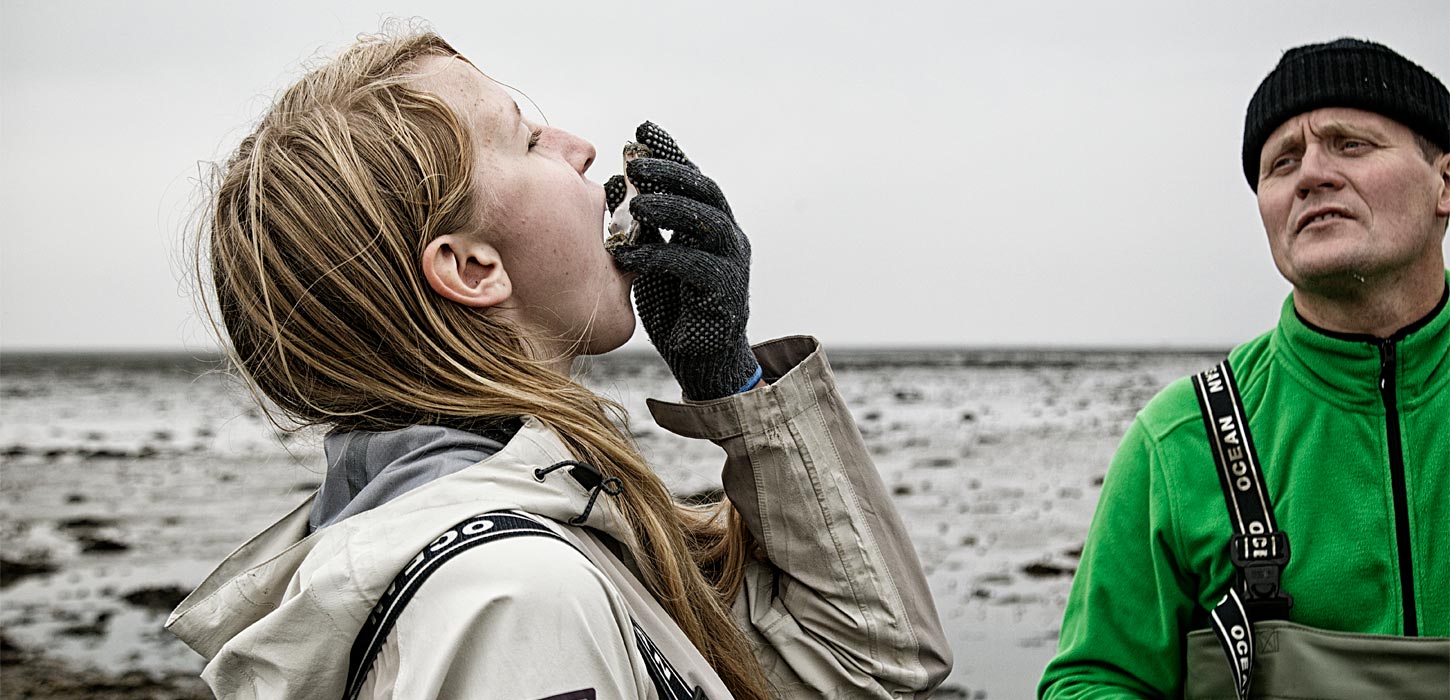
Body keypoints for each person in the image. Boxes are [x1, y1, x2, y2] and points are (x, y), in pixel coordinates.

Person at [165, 30, 951, 699]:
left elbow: (869, 661)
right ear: (471, 268)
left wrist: (733, 384)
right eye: (528, 140)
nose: (580, 148)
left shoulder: (548, 530)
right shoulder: (510, 599)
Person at [1038, 38, 1449, 699]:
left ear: (1445, 185)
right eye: (1281, 162)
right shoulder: (1178, 440)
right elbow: (1093, 679)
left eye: (1350, 144)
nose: (1312, 174)